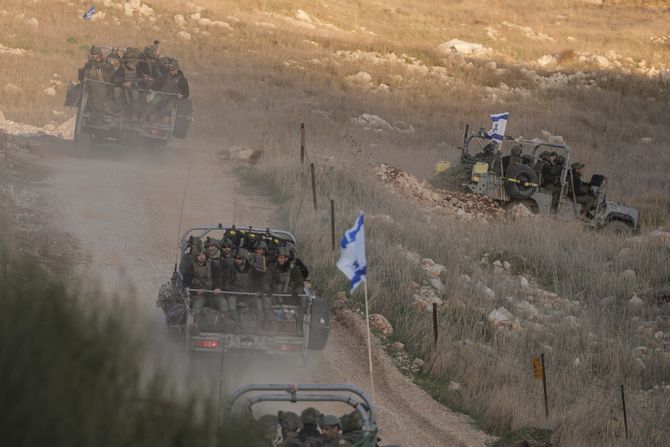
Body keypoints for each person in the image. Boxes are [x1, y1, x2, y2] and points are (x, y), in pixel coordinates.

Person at [267, 247, 306, 335]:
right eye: (278, 257)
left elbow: (300, 284)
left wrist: (296, 292)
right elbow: (266, 281)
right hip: (275, 296)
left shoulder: (294, 269)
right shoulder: (272, 268)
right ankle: (271, 326)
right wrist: (268, 290)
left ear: (286, 258)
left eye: (282, 257)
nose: (280, 259)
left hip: (290, 296)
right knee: (264, 301)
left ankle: (299, 326)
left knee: (304, 300)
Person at [142, 58, 189, 122]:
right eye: (169, 70)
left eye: (172, 70)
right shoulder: (166, 75)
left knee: (168, 108)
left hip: (173, 97)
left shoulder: (182, 80)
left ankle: (155, 119)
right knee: (153, 102)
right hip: (162, 94)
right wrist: (152, 89)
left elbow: (186, 92)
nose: (170, 72)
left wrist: (182, 95)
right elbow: (158, 83)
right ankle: (142, 119)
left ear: (177, 69)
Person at [79, 46, 114, 124]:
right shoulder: (90, 65)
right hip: (90, 89)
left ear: (99, 55)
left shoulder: (104, 65)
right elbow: (82, 76)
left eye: (94, 54)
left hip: (101, 89)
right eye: (92, 54)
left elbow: (109, 73)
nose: (92, 55)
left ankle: (99, 119)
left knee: (98, 103)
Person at [111, 48, 143, 120]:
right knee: (117, 91)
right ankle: (121, 110)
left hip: (134, 88)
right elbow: (114, 78)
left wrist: (133, 84)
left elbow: (142, 80)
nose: (134, 62)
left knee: (135, 94)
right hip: (123, 88)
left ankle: (134, 114)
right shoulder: (122, 68)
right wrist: (123, 83)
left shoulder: (138, 68)